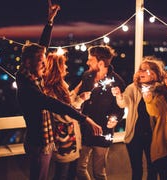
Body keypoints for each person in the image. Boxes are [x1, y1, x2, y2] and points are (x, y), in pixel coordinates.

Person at [15, 2, 102, 179]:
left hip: (43, 142)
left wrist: (49, 22)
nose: (44, 64)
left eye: (44, 60)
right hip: (39, 144)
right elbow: (55, 104)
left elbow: (42, 49)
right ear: (28, 63)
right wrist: (86, 119)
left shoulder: (30, 77)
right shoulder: (29, 88)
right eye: (41, 61)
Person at [76, 45, 126, 180]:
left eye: (90, 60)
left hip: (103, 133)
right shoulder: (86, 77)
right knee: (79, 168)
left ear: (101, 63)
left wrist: (115, 119)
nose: (87, 63)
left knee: (99, 173)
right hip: (85, 130)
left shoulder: (117, 82)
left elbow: (121, 108)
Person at [111, 56, 165, 180]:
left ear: (154, 73)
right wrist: (119, 95)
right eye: (140, 69)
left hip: (153, 136)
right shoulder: (133, 88)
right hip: (134, 136)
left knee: (153, 168)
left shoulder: (160, 89)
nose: (141, 72)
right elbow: (123, 103)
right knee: (136, 170)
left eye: (145, 69)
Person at [43, 50, 91, 180]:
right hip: (64, 140)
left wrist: (78, 90)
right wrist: (80, 100)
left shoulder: (61, 85)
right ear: (57, 68)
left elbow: (67, 102)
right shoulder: (51, 89)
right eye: (63, 64)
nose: (66, 67)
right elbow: (65, 115)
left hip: (71, 139)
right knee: (62, 175)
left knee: (71, 174)